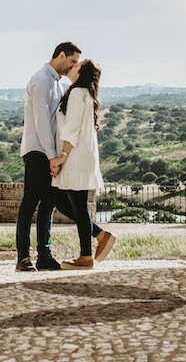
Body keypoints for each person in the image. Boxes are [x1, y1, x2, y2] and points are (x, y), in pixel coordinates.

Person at [14, 43, 115, 271]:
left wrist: (59, 156)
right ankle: (23, 257)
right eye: (72, 61)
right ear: (61, 55)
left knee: (50, 204)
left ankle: (45, 255)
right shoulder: (42, 80)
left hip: (54, 154)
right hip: (39, 150)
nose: (73, 66)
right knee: (30, 204)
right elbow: (41, 122)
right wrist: (53, 156)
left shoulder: (61, 85)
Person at [51, 59, 113, 269]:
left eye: (77, 65)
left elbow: (72, 128)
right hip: (80, 155)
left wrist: (62, 156)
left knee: (76, 204)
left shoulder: (77, 93)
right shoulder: (85, 94)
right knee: (67, 203)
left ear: (81, 73)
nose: (72, 66)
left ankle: (86, 256)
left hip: (74, 155)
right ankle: (100, 235)